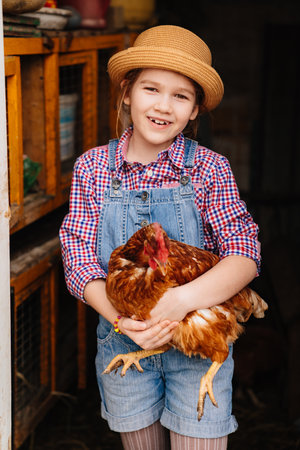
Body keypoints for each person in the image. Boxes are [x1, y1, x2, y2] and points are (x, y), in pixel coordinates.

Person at [60, 25, 261, 450]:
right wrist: (122, 321)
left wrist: (180, 301)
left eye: (181, 96)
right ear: (127, 92)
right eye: (152, 88)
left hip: (199, 344)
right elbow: (77, 258)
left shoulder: (208, 169)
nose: (164, 106)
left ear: (194, 112)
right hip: (124, 339)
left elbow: (244, 253)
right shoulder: (93, 169)